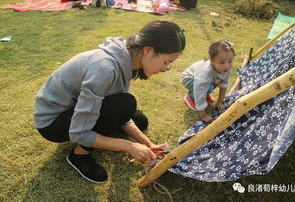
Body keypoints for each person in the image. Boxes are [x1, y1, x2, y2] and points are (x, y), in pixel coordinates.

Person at [34, 20, 186, 184]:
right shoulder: (105, 68)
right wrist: (129, 146)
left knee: (138, 119)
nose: (164, 69)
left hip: (74, 108)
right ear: (148, 50)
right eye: (166, 62)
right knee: (125, 105)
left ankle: (104, 134)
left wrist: (147, 143)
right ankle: (80, 155)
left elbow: (116, 103)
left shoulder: (126, 57)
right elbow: (79, 132)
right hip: (52, 123)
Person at [180, 39, 234, 123]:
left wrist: (220, 102)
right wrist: (203, 114)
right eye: (222, 62)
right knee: (207, 88)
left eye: (230, 61)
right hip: (189, 78)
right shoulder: (206, 73)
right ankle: (190, 97)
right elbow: (200, 90)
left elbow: (224, 84)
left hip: (201, 80)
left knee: (214, 83)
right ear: (212, 61)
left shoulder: (225, 69)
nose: (227, 66)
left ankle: (205, 93)